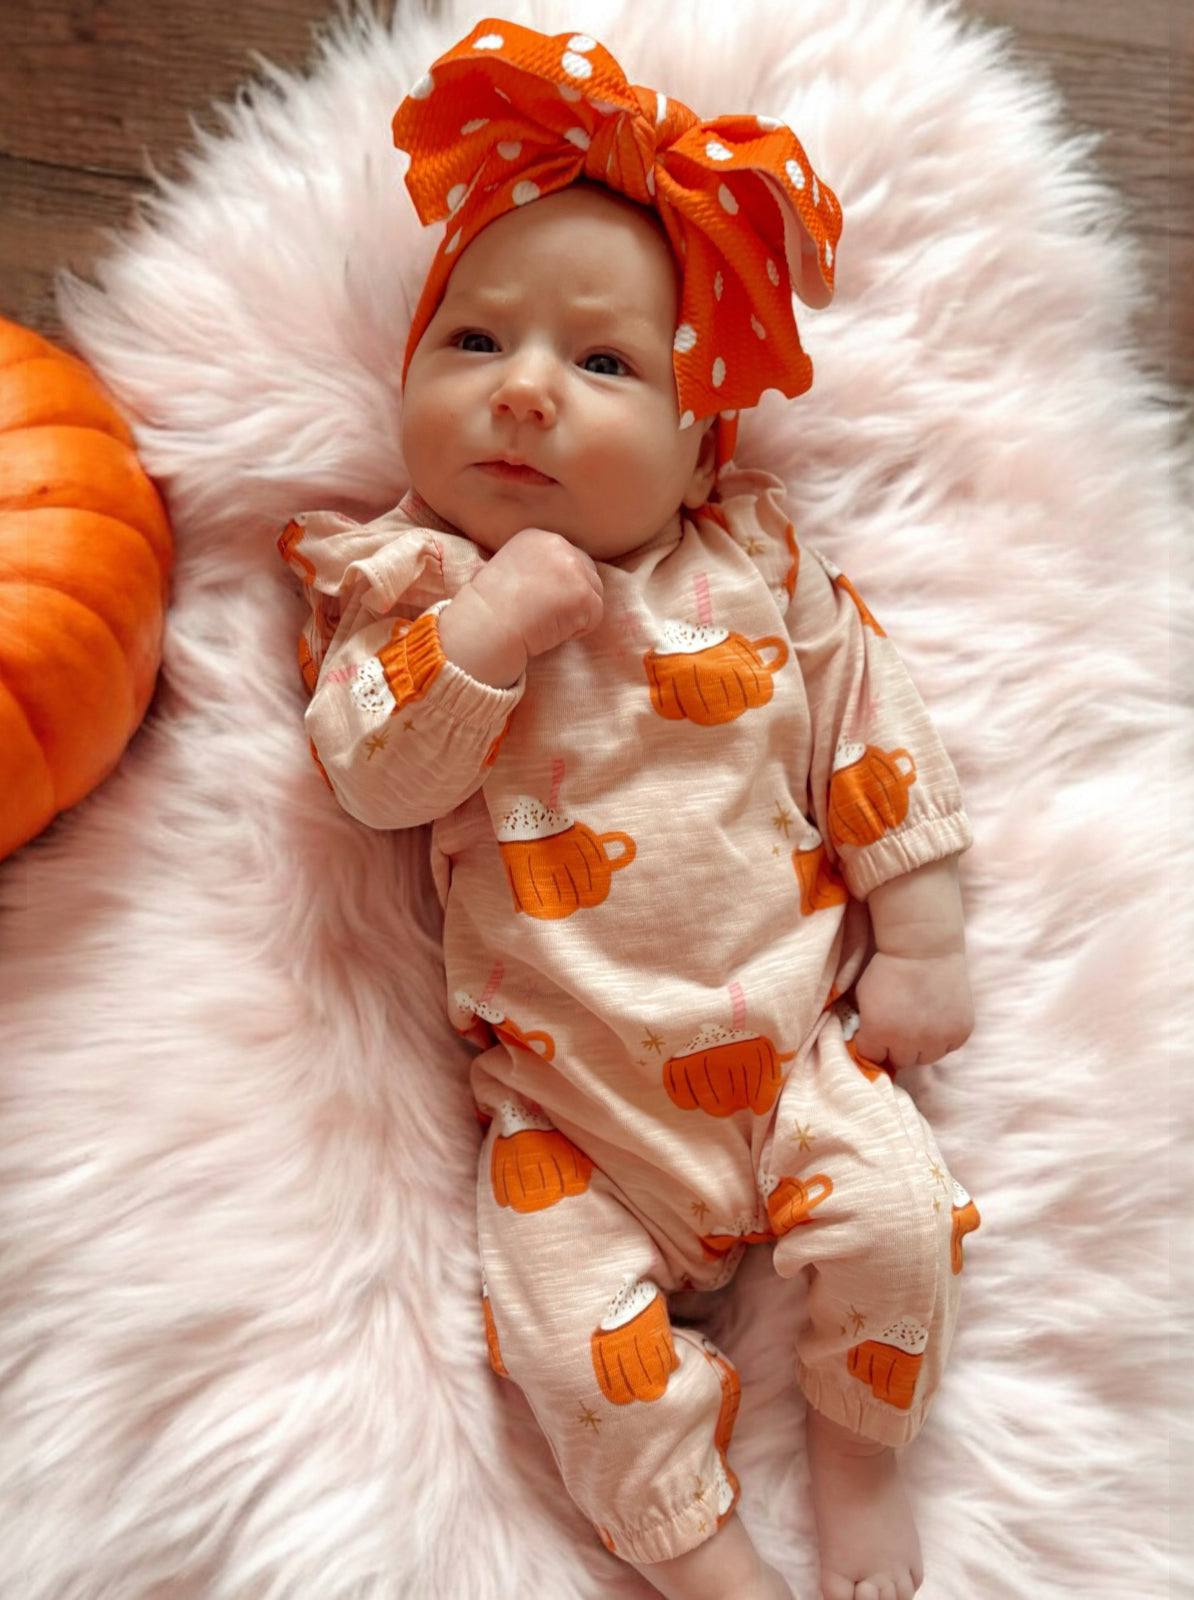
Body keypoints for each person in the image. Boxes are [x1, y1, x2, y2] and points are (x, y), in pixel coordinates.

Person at [280, 20, 980, 1600]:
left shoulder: (751, 565)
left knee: (898, 1222)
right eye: (472, 344)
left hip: (799, 1052)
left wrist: (919, 933)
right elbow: (370, 770)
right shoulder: (409, 585)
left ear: (696, 439)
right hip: (570, 1124)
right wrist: (484, 639)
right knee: (559, 1341)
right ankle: (702, 1556)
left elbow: (872, 724)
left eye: (601, 365)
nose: (524, 391)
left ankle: (860, 1460)